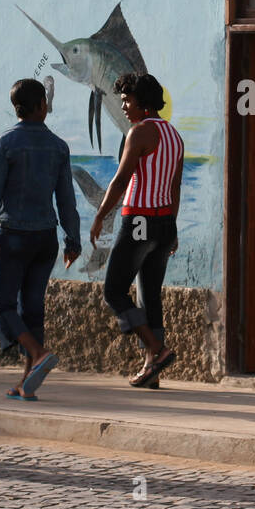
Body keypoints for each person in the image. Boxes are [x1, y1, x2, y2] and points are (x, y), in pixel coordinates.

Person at [0, 79, 80, 400]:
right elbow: (67, 202)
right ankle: (27, 381)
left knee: (0, 304)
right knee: (32, 308)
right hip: (46, 237)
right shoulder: (59, 146)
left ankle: (37, 354)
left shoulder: (6, 143)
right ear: (42, 105)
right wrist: (73, 241)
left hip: (14, 235)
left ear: (17, 108)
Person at [89, 73, 183, 388]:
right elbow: (175, 186)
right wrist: (173, 226)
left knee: (113, 291)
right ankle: (151, 369)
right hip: (164, 221)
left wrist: (101, 214)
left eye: (128, 100)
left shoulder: (139, 132)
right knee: (149, 295)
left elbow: (121, 179)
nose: (124, 106)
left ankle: (156, 349)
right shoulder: (174, 136)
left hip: (138, 220)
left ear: (143, 103)